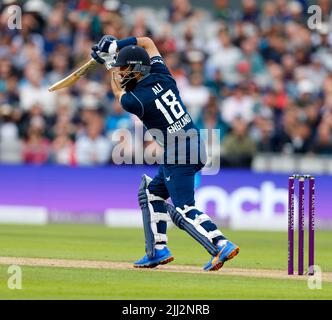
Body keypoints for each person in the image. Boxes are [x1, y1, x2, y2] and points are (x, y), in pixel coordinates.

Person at [91, 35, 240, 271]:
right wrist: (117, 48)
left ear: (137, 70)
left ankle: (220, 243)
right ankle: (157, 250)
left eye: (123, 68)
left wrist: (109, 61)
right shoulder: (163, 74)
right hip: (193, 143)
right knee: (151, 193)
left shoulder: (136, 100)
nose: (120, 73)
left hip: (178, 151)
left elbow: (118, 91)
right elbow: (148, 42)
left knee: (183, 209)